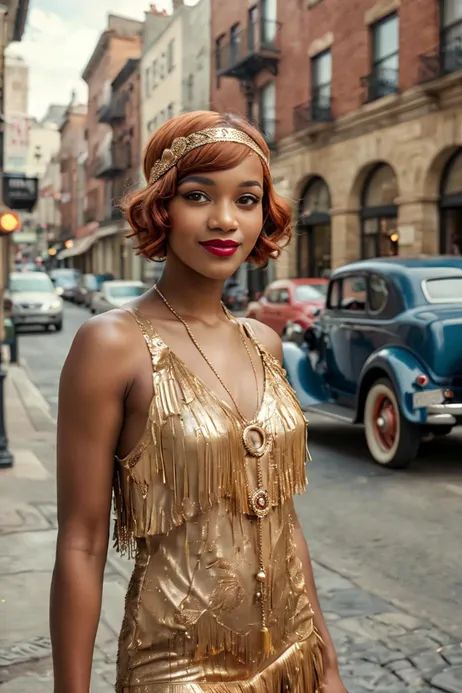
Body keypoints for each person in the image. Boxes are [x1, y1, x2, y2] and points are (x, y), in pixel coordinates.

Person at [50, 111, 346, 693]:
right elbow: (81, 542)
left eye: (246, 199)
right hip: (176, 670)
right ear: (163, 207)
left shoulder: (265, 342)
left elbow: (284, 518)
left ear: (264, 214)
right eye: (198, 195)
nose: (223, 220)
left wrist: (328, 662)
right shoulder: (111, 345)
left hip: (294, 656)